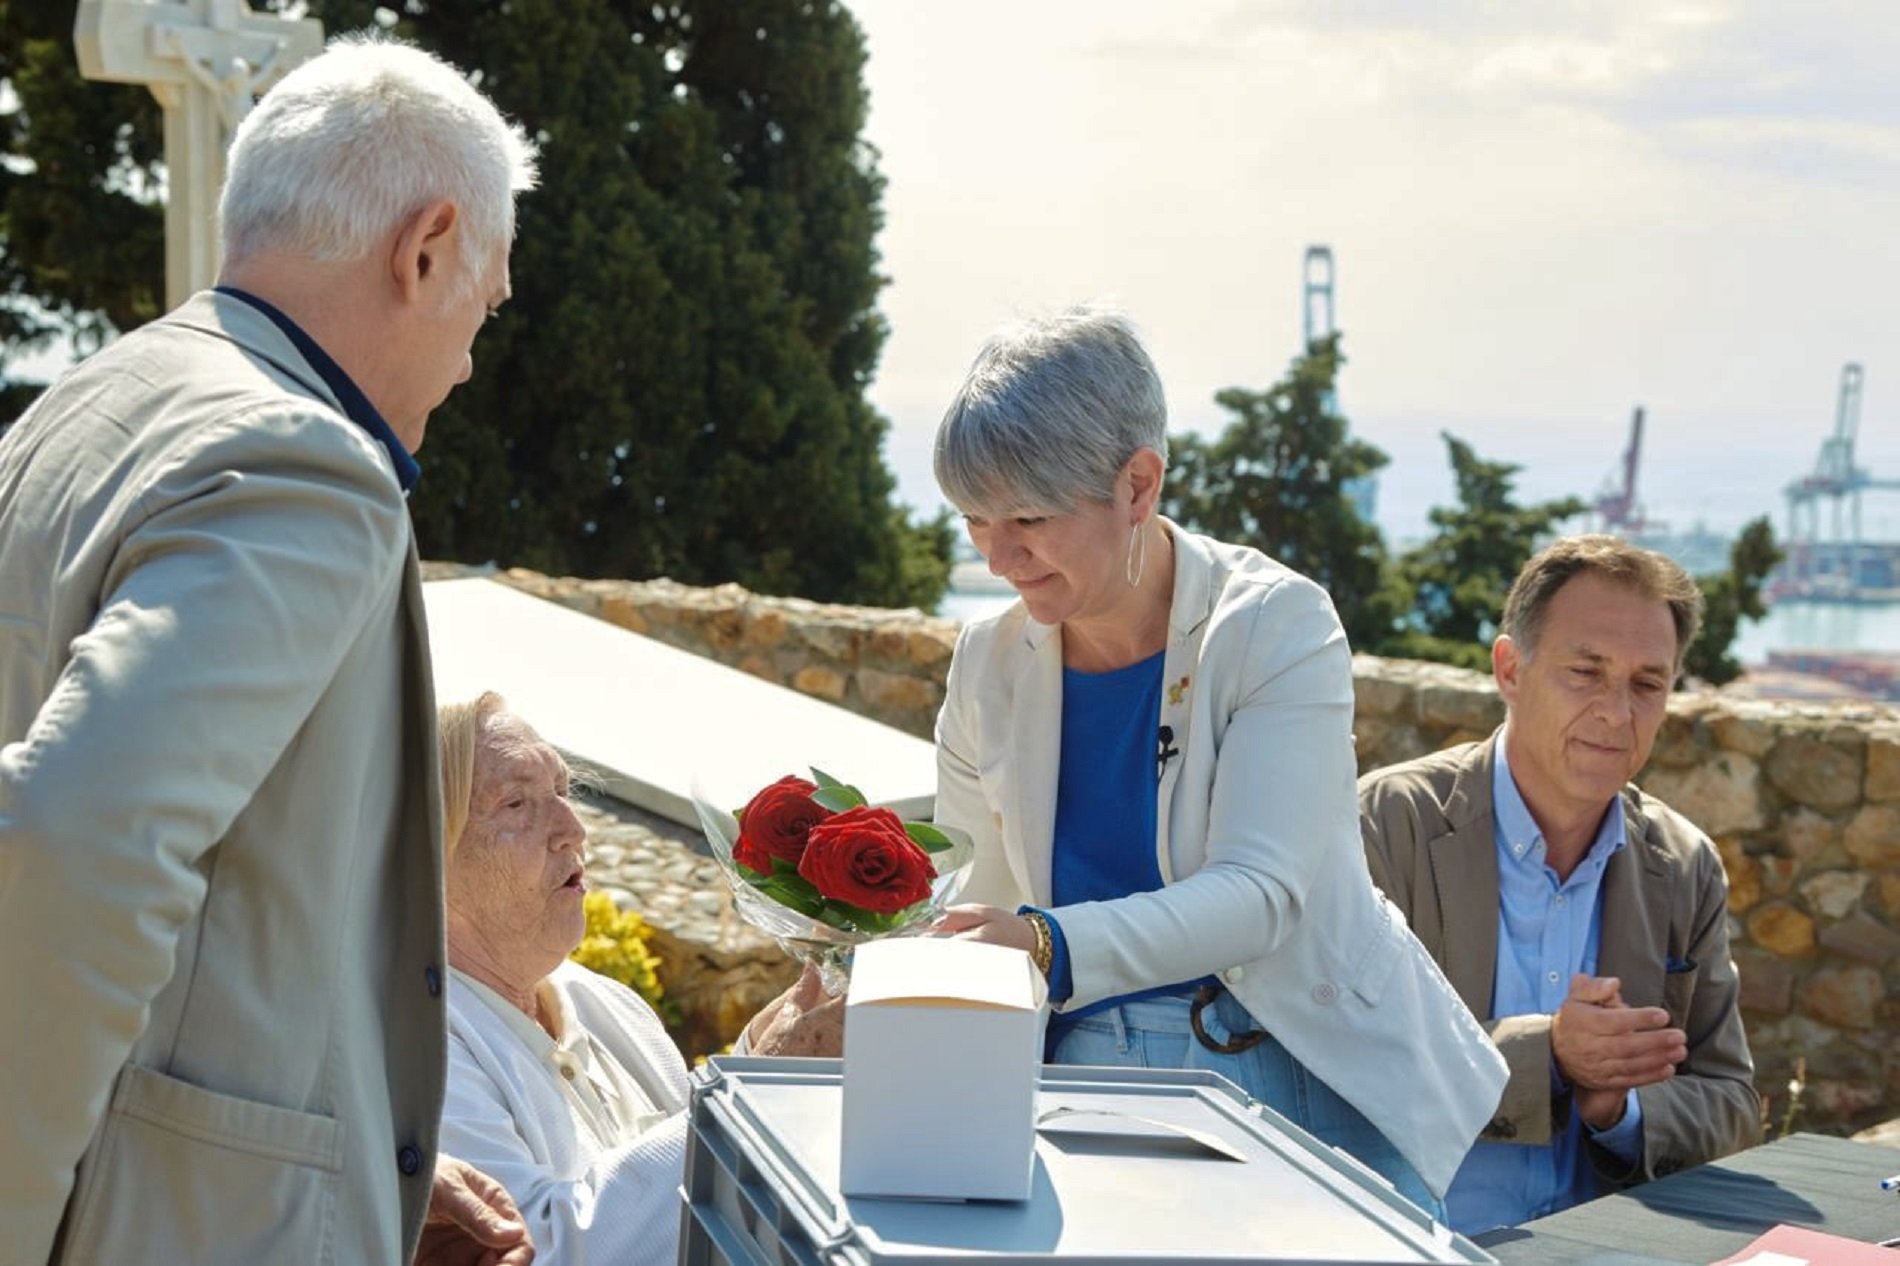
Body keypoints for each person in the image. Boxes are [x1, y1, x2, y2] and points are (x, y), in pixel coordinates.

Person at [0, 37, 540, 1265]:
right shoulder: (309, 466)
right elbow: (82, 838)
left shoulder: (73, 415)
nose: (467, 358)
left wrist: (371, 1162)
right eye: (485, 306)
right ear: (427, 247)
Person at [928, 305, 1507, 1212]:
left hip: (1297, 1073)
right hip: (1081, 1087)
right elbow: (976, 901)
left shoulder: (1277, 622)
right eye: (974, 522)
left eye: (1028, 519)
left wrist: (1045, 942)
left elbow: (1261, 895)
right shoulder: (987, 661)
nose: (999, 558)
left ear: (1139, 484)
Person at [1358, 535, 1761, 1234]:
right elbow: (1343, 1064)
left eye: (1646, 684)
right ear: (1511, 670)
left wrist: (1619, 1111)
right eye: (1586, 672)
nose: (1618, 713)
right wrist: (1548, 1057)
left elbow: (1729, 1100)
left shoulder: (1684, 862)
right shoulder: (1387, 825)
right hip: (1416, 1243)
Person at [435, 693, 842, 1265]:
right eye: (516, 803)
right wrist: (758, 1093)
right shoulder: (415, 1050)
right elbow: (535, 1250)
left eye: (563, 791)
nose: (572, 828)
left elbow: (693, 1185)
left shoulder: (604, 1000)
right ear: (426, 855)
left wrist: (761, 1054)